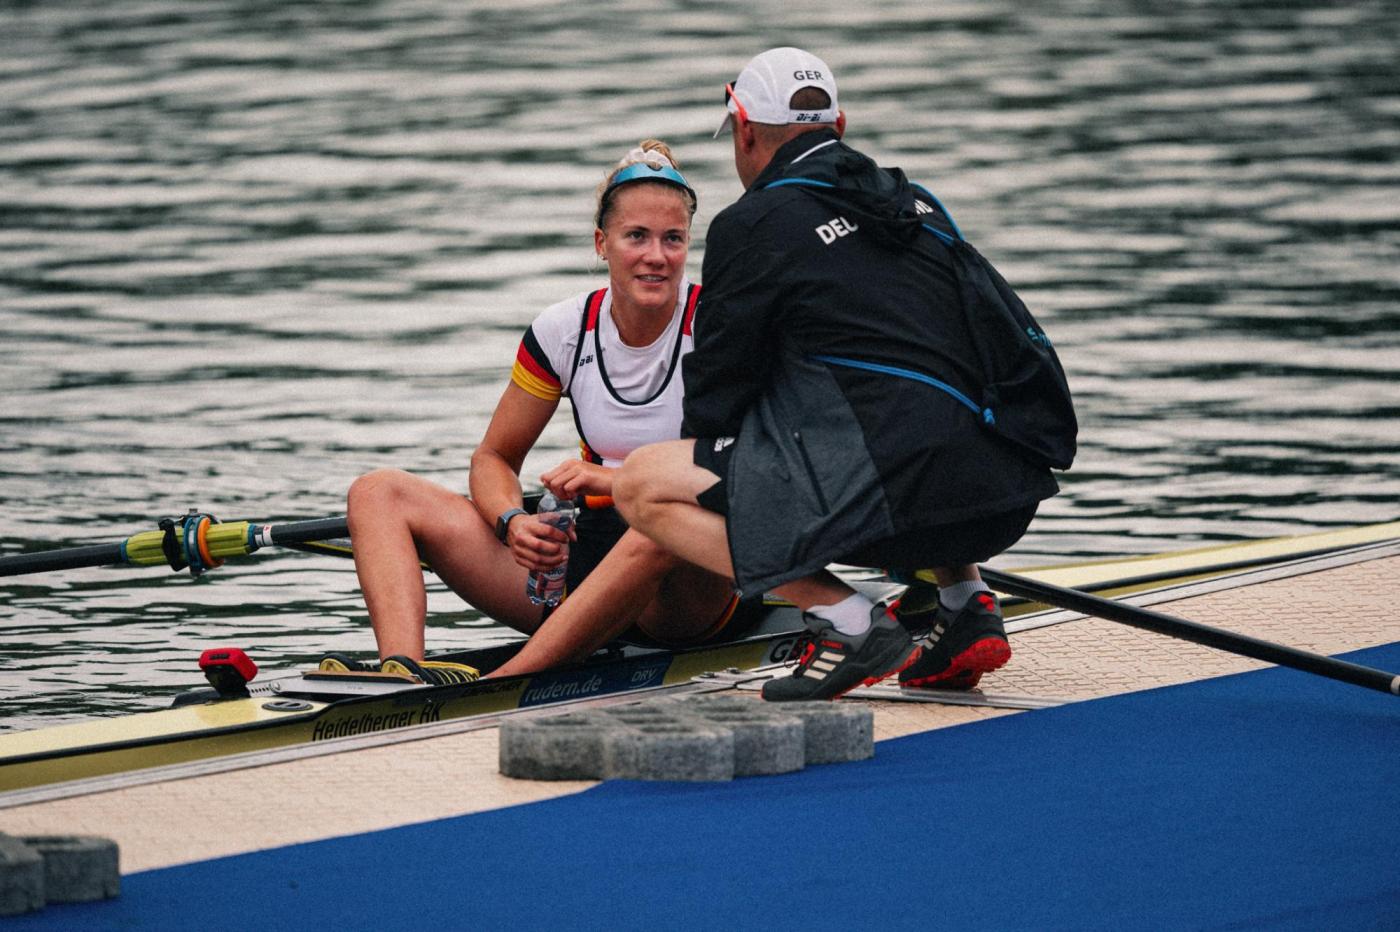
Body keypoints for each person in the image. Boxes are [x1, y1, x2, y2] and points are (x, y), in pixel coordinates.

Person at [614, 48, 1071, 701]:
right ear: (840, 126)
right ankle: (966, 602)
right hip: (1006, 494)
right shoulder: (915, 203)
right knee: (908, 391)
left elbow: (716, 397)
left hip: (902, 510)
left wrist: (722, 496)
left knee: (643, 485)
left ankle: (850, 623)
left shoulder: (753, 224)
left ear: (745, 130)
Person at [334, 140, 737, 684]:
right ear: (602, 244)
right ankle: (402, 672)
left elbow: (745, 462)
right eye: (636, 236)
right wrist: (513, 522)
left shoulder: (718, 327)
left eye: (673, 238)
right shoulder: (562, 331)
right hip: (585, 564)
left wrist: (613, 481)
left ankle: (504, 683)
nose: (656, 256)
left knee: (655, 521)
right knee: (377, 492)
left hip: (688, 591)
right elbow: (494, 459)